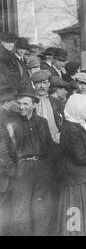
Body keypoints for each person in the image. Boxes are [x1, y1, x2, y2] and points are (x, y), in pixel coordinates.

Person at [57, 94, 86, 236]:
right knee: (76, 208)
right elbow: (80, 157)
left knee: (78, 208)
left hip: (81, 177)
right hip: (77, 178)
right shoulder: (72, 129)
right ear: (78, 109)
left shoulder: (74, 125)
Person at [9, 88, 55, 236]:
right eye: (19, 103)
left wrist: (48, 170)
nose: (21, 107)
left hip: (42, 168)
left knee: (41, 207)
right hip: (21, 168)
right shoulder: (11, 123)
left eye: (26, 104)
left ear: (34, 104)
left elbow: (49, 147)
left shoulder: (42, 122)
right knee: (21, 208)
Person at [0, 85, 18, 236]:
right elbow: (2, 152)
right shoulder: (2, 118)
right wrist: (14, 172)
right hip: (4, 176)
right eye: (15, 101)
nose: (18, 105)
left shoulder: (8, 116)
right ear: (7, 101)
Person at [31, 70, 65, 145]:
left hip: (55, 142)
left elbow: (63, 121)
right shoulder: (30, 103)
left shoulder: (56, 102)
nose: (42, 86)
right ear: (34, 85)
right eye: (38, 83)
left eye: (44, 83)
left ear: (49, 84)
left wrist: (60, 133)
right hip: (37, 143)